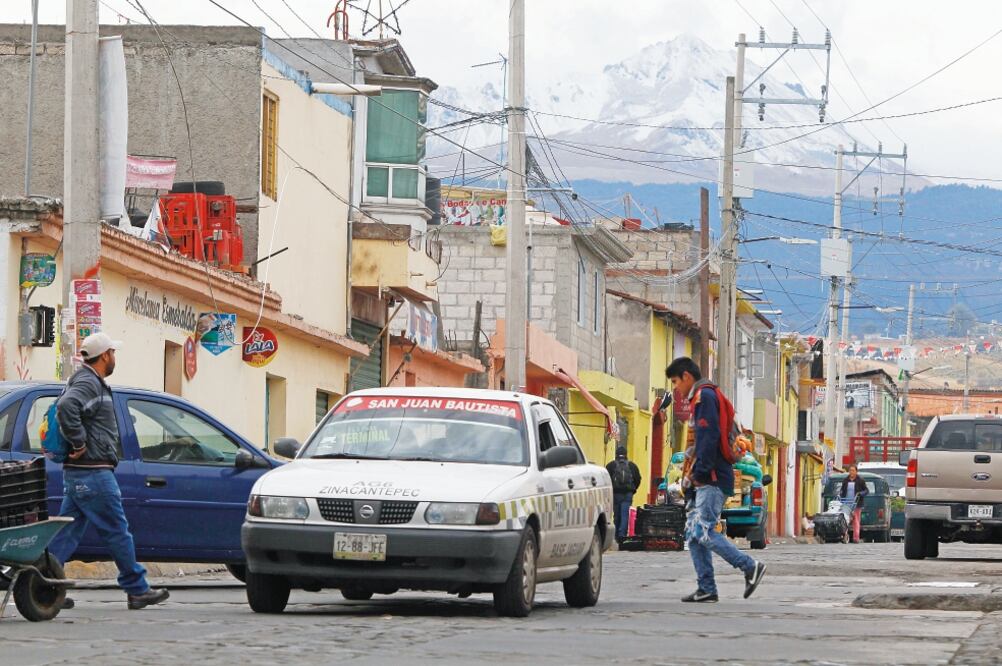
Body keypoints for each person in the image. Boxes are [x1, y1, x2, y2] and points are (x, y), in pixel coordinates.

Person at [48, 332, 170, 610]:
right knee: (117, 531)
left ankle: (45, 585)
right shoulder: (89, 382)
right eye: (113, 353)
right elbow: (68, 407)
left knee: (67, 532)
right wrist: (79, 441)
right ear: (104, 356)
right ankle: (137, 589)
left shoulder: (86, 381)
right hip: (93, 473)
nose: (115, 357)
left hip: (81, 473)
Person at [666, 357, 767, 603]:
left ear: (687, 376)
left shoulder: (704, 398)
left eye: (675, 381)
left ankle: (749, 566)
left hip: (710, 478)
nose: (675, 389)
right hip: (702, 479)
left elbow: (708, 439)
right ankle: (707, 588)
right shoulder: (703, 397)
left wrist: (699, 474)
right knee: (692, 534)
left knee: (704, 530)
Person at [606, 445, 641, 544]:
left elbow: (606, 479)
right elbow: (638, 479)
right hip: (627, 494)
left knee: (616, 515)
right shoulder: (632, 465)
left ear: (616, 455)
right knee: (625, 514)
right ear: (626, 455)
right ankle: (622, 536)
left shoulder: (611, 465)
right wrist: (633, 489)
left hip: (616, 493)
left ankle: (616, 536)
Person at [840, 464, 869, 544]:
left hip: (856, 503)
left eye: (853, 470)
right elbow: (842, 490)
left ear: (856, 471)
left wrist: (861, 493)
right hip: (846, 503)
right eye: (850, 470)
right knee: (845, 520)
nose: (851, 472)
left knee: (856, 520)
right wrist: (841, 495)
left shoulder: (860, 480)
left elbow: (866, 491)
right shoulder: (845, 480)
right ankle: (844, 536)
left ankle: (856, 538)